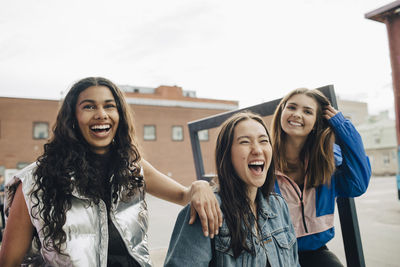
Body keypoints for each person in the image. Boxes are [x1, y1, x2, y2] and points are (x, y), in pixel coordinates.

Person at [0, 77, 222, 267]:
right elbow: (8, 262)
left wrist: (200, 186)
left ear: (120, 116)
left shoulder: (132, 167)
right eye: (89, 107)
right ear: (72, 119)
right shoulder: (35, 181)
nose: (101, 114)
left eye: (109, 106)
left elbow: (183, 195)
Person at [164, 111, 299, 267]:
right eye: (245, 142)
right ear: (226, 154)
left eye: (263, 141)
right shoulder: (205, 209)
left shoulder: (279, 206)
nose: (257, 150)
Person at [271, 88, 371, 267]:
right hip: (272, 254)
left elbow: (357, 185)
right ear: (281, 112)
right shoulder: (264, 158)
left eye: (307, 111)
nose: (297, 114)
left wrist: (342, 126)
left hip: (315, 252)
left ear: (317, 122)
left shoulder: (327, 161)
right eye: (292, 107)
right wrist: (202, 186)